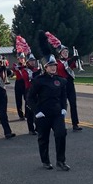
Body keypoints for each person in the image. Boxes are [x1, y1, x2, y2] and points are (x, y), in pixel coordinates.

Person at [27, 30, 70, 171]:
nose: (53, 68)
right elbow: (30, 98)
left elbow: (63, 96)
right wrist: (36, 111)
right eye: (51, 66)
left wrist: (64, 108)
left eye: (54, 66)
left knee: (61, 134)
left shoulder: (61, 81)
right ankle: (45, 161)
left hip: (57, 113)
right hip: (43, 114)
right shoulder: (39, 81)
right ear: (45, 67)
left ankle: (61, 161)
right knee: (43, 138)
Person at [56, 46, 82, 131]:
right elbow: (63, 68)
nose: (66, 53)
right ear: (60, 54)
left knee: (73, 104)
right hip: (62, 85)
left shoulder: (69, 60)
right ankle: (61, 124)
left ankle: (75, 124)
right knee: (63, 105)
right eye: (64, 52)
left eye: (67, 52)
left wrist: (77, 60)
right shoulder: (58, 62)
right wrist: (72, 59)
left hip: (70, 84)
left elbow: (75, 66)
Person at [12, 52, 27, 120]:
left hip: (25, 82)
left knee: (27, 99)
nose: (21, 59)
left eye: (22, 58)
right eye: (20, 58)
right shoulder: (15, 64)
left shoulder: (27, 65)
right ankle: (20, 114)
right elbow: (15, 69)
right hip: (18, 82)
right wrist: (22, 66)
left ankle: (27, 113)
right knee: (18, 99)